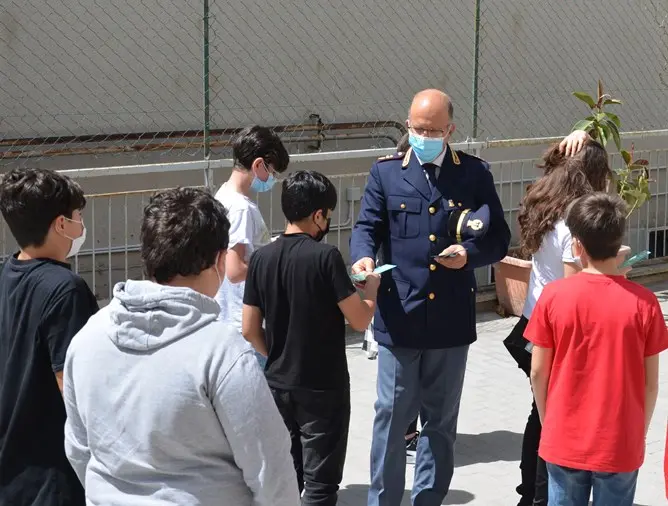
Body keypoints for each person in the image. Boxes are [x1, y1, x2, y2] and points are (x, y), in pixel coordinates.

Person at [62, 187, 299, 506]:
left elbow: (79, 449)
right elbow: (270, 468)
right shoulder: (221, 351)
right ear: (218, 259)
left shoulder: (87, 338)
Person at [350, 88, 511, 506]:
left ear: (450, 130)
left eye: (431, 130)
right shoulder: (385, 173)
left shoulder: (473, 174)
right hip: (400, 316)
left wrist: (468, 255)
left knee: (440, 423)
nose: (421, 136)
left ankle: (428, 499)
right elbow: (367, 227)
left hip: (450, 320)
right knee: (390, 416)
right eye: (416, 128)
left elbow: (498, 239)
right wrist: (364, 259)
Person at [242, 170, 380, 506]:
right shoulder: (326, 257)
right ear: (317, 215)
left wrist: (274, 355)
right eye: (327, 216)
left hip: (277, 384)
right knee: (321, 483)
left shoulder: (261, 257)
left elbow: (248, 328)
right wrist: (372, 289)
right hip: (323, 388)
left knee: (285, 476)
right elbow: (360, 320)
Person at [526, 192, 668, 506]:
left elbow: (538, 372)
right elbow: (651, 384)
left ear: (576, 245)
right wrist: (638, 433)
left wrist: (550, 422)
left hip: (564, 437)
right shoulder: (645, 303)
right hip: (620, 441)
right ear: (620, 243)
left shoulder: (553, 297)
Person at [502, 133, 611, 506]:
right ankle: (539, 496)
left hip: (532, 323)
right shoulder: (574, 221)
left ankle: (530, 494)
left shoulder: (546, 202)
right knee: (551, 421)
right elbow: (572, 290)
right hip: (557, 334)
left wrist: (584, 133)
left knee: (540, 414)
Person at [0, 168, 97, 506]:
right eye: (77, 216)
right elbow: (71, 384)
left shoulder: (6, 273)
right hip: (52, 475)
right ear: (60, 224)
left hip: (12, 468)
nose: (81, 225)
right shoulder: (64, 289)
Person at [214, 125, 290, 367]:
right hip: (242, 324)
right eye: (273, 172)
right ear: (259, 165)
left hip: (227, 319)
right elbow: (235, 270)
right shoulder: (241, 209)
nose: (273, 179)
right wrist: (271, 258)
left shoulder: (222, 195)